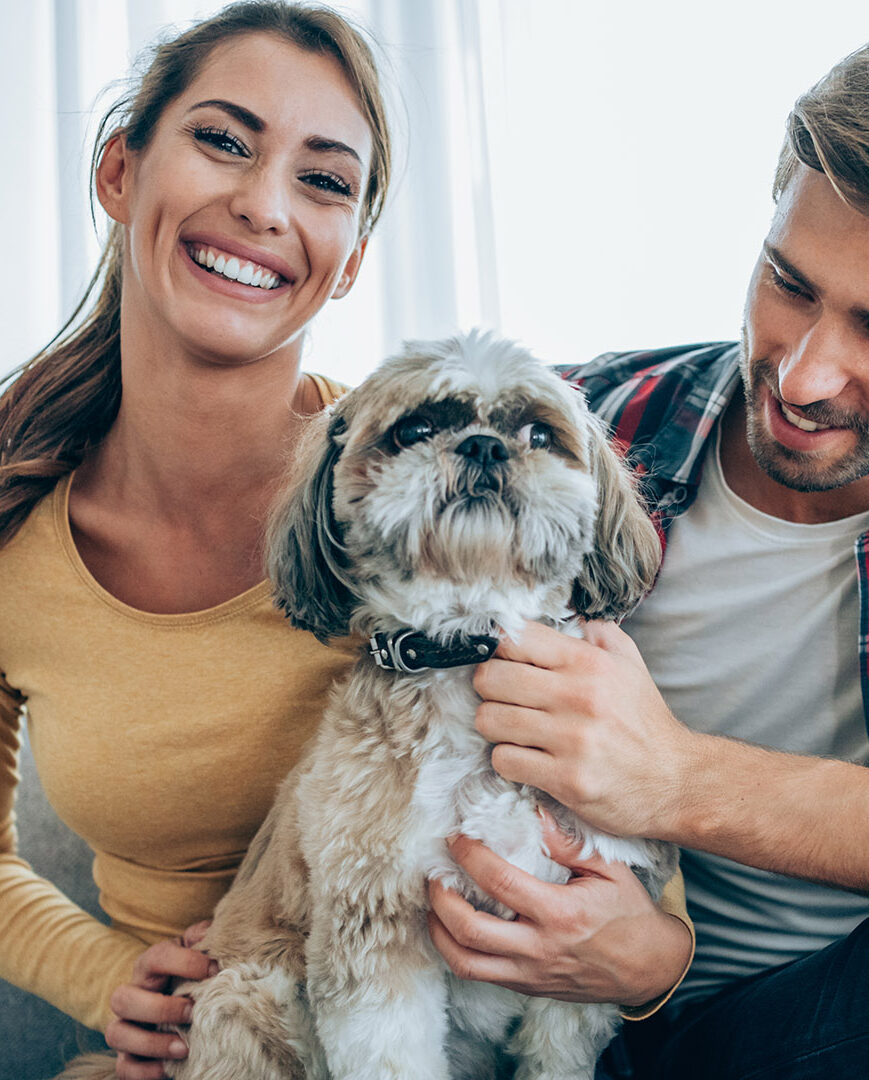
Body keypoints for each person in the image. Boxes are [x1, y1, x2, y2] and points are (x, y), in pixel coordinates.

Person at [0, 4, 691, 1079]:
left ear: (355, 255)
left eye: (323, 180)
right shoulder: (17, 535)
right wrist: (104, 980)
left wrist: (651, 957)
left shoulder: (463, 519)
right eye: (223, 140)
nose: (264, 204)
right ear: (118, 172)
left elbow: (623, 810)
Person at [428, 12, 869, 1079]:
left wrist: (679, 780)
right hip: (583, 1037)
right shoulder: (581, 433)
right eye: (789, 283)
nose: (803, 373)